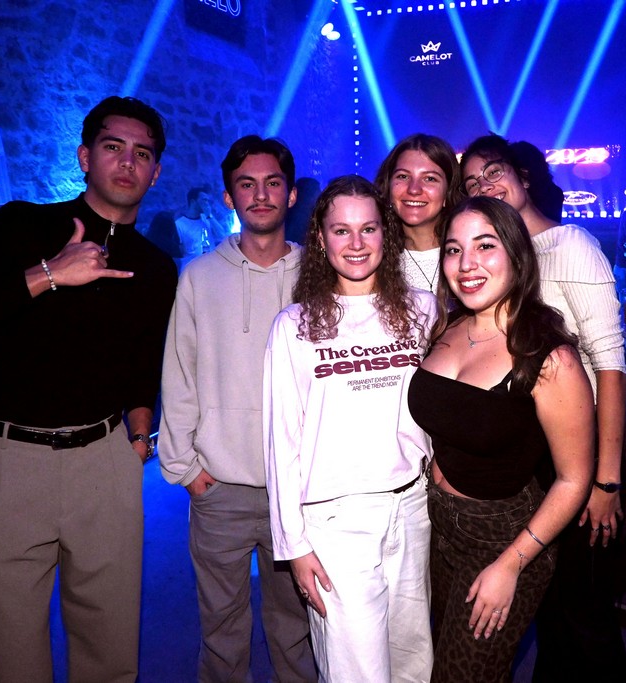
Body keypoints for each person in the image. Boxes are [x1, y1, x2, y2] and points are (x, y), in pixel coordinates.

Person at [0, 96, 178, 682]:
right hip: (11, 461)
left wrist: (139, 435)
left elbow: (143, 359)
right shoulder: (21, 227)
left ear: (155, 172)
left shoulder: (155, 267)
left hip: (106, 462)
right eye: (113, 147)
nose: (128, 162)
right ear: (85, 157)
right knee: (14, 653)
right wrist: (48, 274)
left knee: (110, 653)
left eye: (143, 153)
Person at [459, 134, 626, 681]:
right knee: (549, 605)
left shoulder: (570, 243)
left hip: (582, 456)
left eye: (494, 172)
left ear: (523, 176)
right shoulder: (505, 257)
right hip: (535, 456)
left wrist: (607, 481)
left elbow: (610, 365)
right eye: (473, 182)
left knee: (586, 611)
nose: (485, 185)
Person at [408, 196, 595, 682]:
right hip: (438, 526)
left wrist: (511, 565)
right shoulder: (448, 326)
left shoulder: (549, 358)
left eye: (485, 246)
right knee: (449, 662)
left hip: (502, 537)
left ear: (516, 254)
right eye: (454, 249)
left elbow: (574, 479)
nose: (466, 263)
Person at [264, 175, 435, 682]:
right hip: (336, 522)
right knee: (356, 670)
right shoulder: (294, 325)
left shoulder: (423, 309)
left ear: (386, 234)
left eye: (369, 229)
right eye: (341, 230)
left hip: (412, 509)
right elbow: (281, 441)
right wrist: (294, 546)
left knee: (413, 661)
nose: (356, 243)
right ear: (321, 238)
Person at [159, 135, 317, 682]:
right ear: (229, 197)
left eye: (273, 183)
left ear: (291, 194)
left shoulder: (319, 277)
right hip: (219, 488)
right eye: (247, 185)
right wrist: (186, 470)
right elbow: (179, 375)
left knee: (297, 626)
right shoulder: (199, 277)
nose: (261, 195)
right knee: (221, 630)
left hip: (298, 489)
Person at [374, 133, 462, 292]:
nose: (414, 189)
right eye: (403, 176)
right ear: (388, 187)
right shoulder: (374, 260)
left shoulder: (469, 255)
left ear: (448, 191)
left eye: (430, 179)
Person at [173, 184, 218, 270]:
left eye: (208, 201)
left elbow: (223, 235)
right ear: (193, 202)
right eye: (204, 200)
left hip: (212, 265)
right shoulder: (179, 224)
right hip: (193, 268)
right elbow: (180, 251)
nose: (207, 204)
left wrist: (209, 216)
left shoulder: (207, 218)